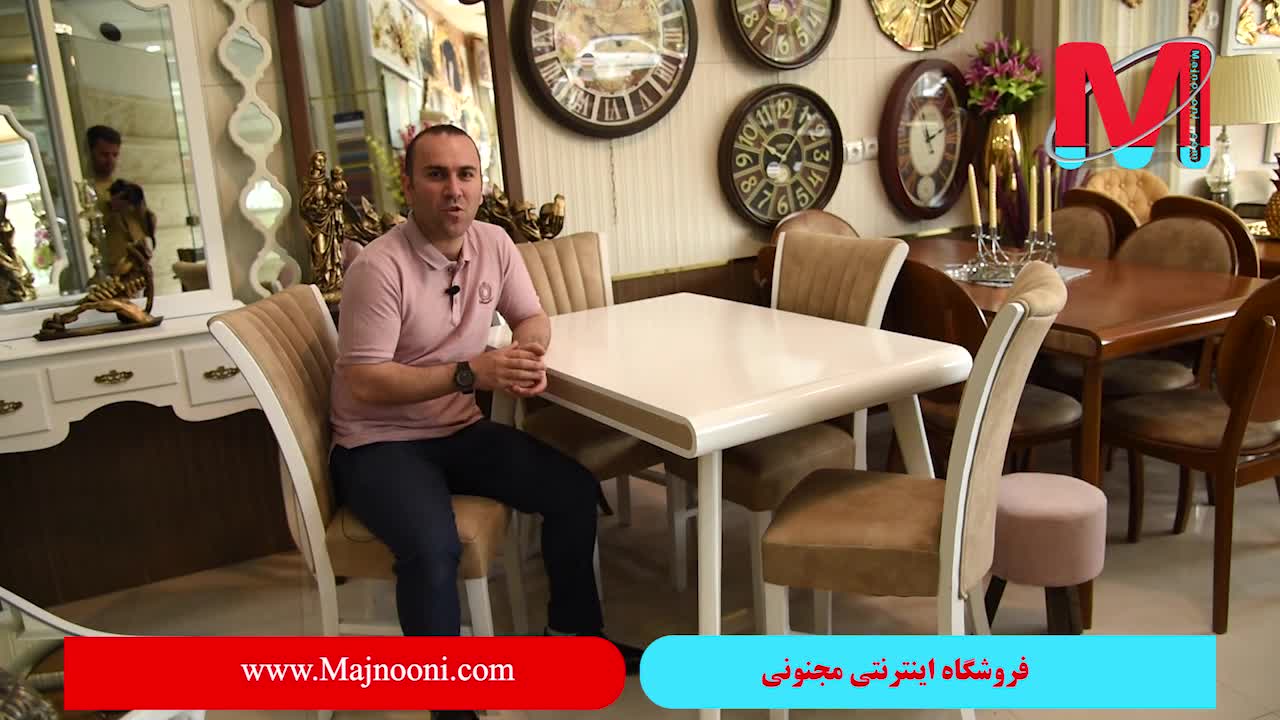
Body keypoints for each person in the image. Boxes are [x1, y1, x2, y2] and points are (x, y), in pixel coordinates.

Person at [329, 125, 642, 720]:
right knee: (432, 549)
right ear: (408, 186)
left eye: (465, 174)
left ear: (480, 184)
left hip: (456, 430)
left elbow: (531, 315)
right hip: (379, 444)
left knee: (575, 492)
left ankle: (572, 636)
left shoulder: (494, 243)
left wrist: (528, 354)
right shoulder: (378, 267)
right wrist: (471, 373)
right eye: (436, 174)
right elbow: (365, 381)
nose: (453, 189)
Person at [86, 125, 122, 199]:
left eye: (115, 155)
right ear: (89, 153)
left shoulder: (123, 191)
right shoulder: (84, 188)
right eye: (105, 154)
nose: (111, 160)